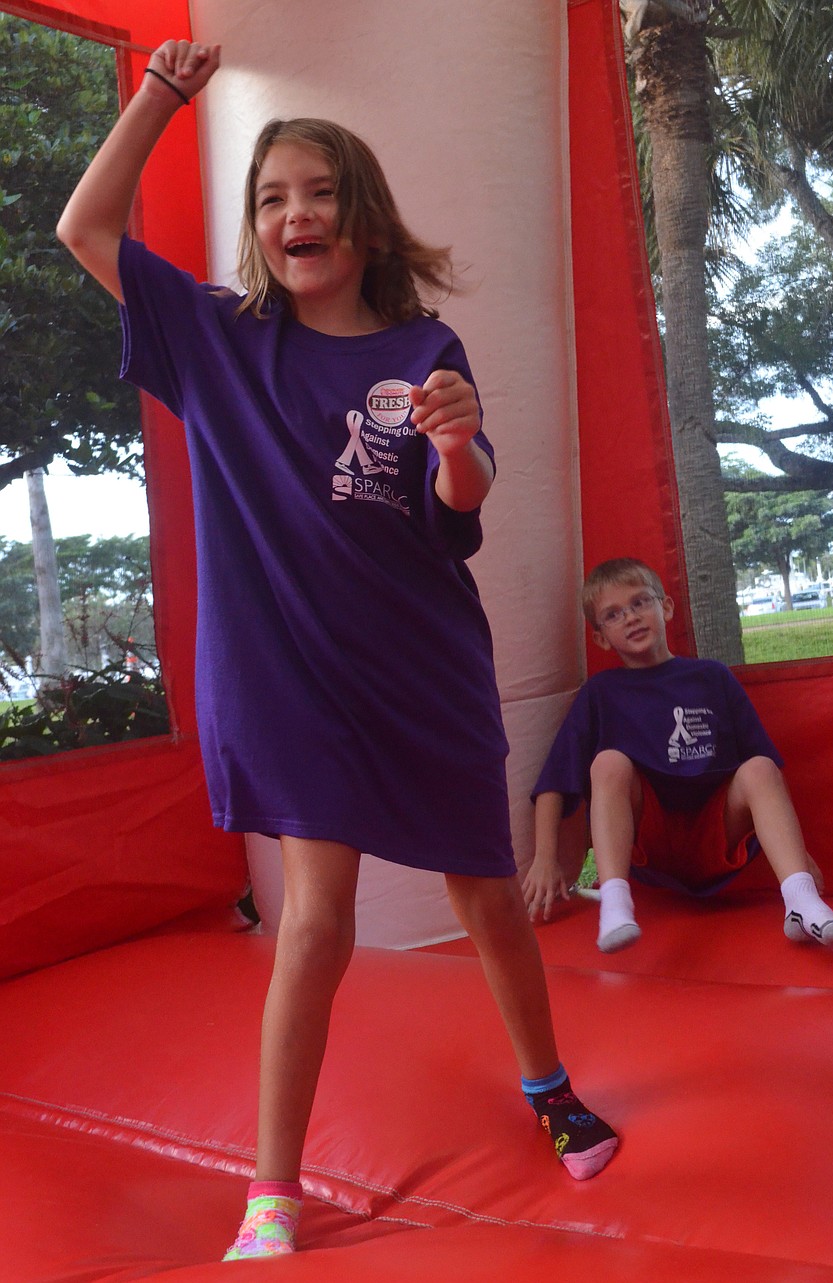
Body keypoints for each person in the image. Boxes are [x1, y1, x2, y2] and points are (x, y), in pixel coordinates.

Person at [57, 39, 618, 1261]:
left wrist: (459, 442)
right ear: (256, 232)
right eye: (270, 198)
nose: (293, 212)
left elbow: (457, 508)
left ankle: (547, 1086)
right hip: (289, 678)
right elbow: (84, 226)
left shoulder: (424, 355)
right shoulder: (213, 340)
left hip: (423, 670)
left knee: (485, 894)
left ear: (361, 219)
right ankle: (272, 1187)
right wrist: (161, 96)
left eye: (316, 191)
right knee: (313, 920)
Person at [524, 557, 833, 954]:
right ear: (601, 638)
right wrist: (544, 857)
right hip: (651, 844)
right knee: (608, 762)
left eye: (640, 602)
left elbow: (767, 774)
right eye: (613, 614)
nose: (631, 617)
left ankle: (801, 904)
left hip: (714, 835)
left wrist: (801, 858)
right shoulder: (602, 692)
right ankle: (615, 902)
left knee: (760, 767)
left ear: (666, 607)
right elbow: (555, 779)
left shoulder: (711, 677)